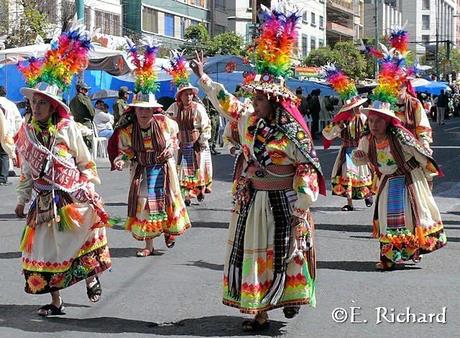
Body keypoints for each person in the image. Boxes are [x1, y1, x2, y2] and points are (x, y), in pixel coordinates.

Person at [190, 1, 326, 330]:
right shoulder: (249, 119)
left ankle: (289, 298)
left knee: (285, 252)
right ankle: (260, 310)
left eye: (262, 98)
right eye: (255, 97)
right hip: (254, 200)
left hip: (285, 202)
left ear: (276, 100)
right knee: (255, 255)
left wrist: (302, 204)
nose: (256, 102)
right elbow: (226, 103)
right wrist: (204, 78)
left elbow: (306, 168)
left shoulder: (292, 132)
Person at [14, 24, 111, 316]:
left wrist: (88, 186)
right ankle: (56, 302)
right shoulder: (26, 133)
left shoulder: (67, 129)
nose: (37, 106)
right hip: (43, 203)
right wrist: (21, 200)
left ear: (54, 106)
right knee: (44, 252)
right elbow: (27, 173)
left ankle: (90, 277)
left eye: (43, 102)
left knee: (79, 241)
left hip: (71, 198)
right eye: (34, 102)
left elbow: (86, 161)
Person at [352, 42, 446, 270]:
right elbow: (366, 143)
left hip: (410, 161)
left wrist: (421, 153)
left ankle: (413, 247)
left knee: (415, 212)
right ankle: (391, 254)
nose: (396, 90)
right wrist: (362, 153)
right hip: (388, 169)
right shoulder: (381, 108)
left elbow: (423, 130)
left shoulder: (413, 105)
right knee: (390, 216)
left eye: (399, 86)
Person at [110, 39, 190, 257]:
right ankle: (148, 245)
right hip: (142, 169)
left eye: (148, 110)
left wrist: (170, 150)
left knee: (167, 201)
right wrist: (121, 159)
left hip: (164, 169)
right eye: (140, 110)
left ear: (154, 110)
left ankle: (167, 231)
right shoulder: (127, 132)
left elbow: (175, 141)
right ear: (134, 111)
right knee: (144, 204)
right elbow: (126, 151)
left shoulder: (166, 124)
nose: (144, 114)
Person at [322, 65, 373, 211]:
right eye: (353, 107)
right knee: (347, 174)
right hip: (346, 151)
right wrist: (338, 127)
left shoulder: (363, 117)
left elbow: (370, 133)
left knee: (364, 172)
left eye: (357, 106)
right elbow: (327, 133)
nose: (355, 109)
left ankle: (368, 195)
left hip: (361, 149)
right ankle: (349, 203)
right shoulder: (342, 121)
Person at [164, 50, 212, 205]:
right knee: (182, 170)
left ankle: (199, 191)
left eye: (190, 94)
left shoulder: (198, 108)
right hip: (181, 143)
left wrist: (203, 139)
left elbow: (206, 125)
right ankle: (185, 195)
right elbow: (166, 121)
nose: (188, 96)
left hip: (196, 143)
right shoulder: (174, 107)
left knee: (197, 168)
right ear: (180, 96)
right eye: (185, 94)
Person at [396, 81, 433, 151]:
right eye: (394, 82)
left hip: (411, 147)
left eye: (401, 83)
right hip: (390, 148)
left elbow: (422, 126)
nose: (397, 86)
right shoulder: (384, 103)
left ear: (406, 85)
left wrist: (425, 144)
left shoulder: (414, 103)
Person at [0, 85, 23, 185]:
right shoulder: (10, 104)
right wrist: (13, 132)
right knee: (4, 153)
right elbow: (18, 120)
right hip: (7, 133)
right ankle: (2, 178)